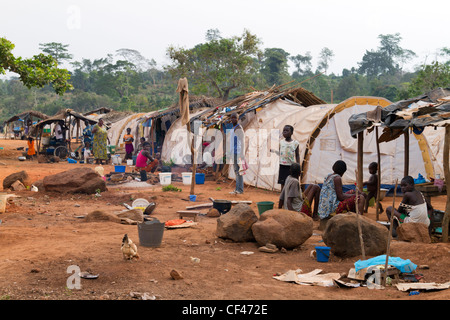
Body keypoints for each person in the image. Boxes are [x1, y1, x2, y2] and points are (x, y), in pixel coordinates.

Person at [272, 125, 300, 191]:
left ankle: (289, 198)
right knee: (283, 183)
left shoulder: (295, 143)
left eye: (287, 131)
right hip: (282, 165)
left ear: (292, 133)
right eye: (284, 130)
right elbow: (280, 153)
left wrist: (298, 166)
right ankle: (282, 198)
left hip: (291, 166)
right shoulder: (281, 142)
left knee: (291, 182)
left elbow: (297, 155)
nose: (284, 132)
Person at [228, 112, 245, 194]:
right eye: (232, 118)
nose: (233, 119)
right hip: (233, 152)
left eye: (235, 118)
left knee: (238, 171)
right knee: (236, 171)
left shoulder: (238, 128)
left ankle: (239, 190)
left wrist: (242, 153)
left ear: (238, 119)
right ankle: (237, 189)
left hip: (237, 152)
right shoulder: (234, 128)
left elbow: (242, 141)